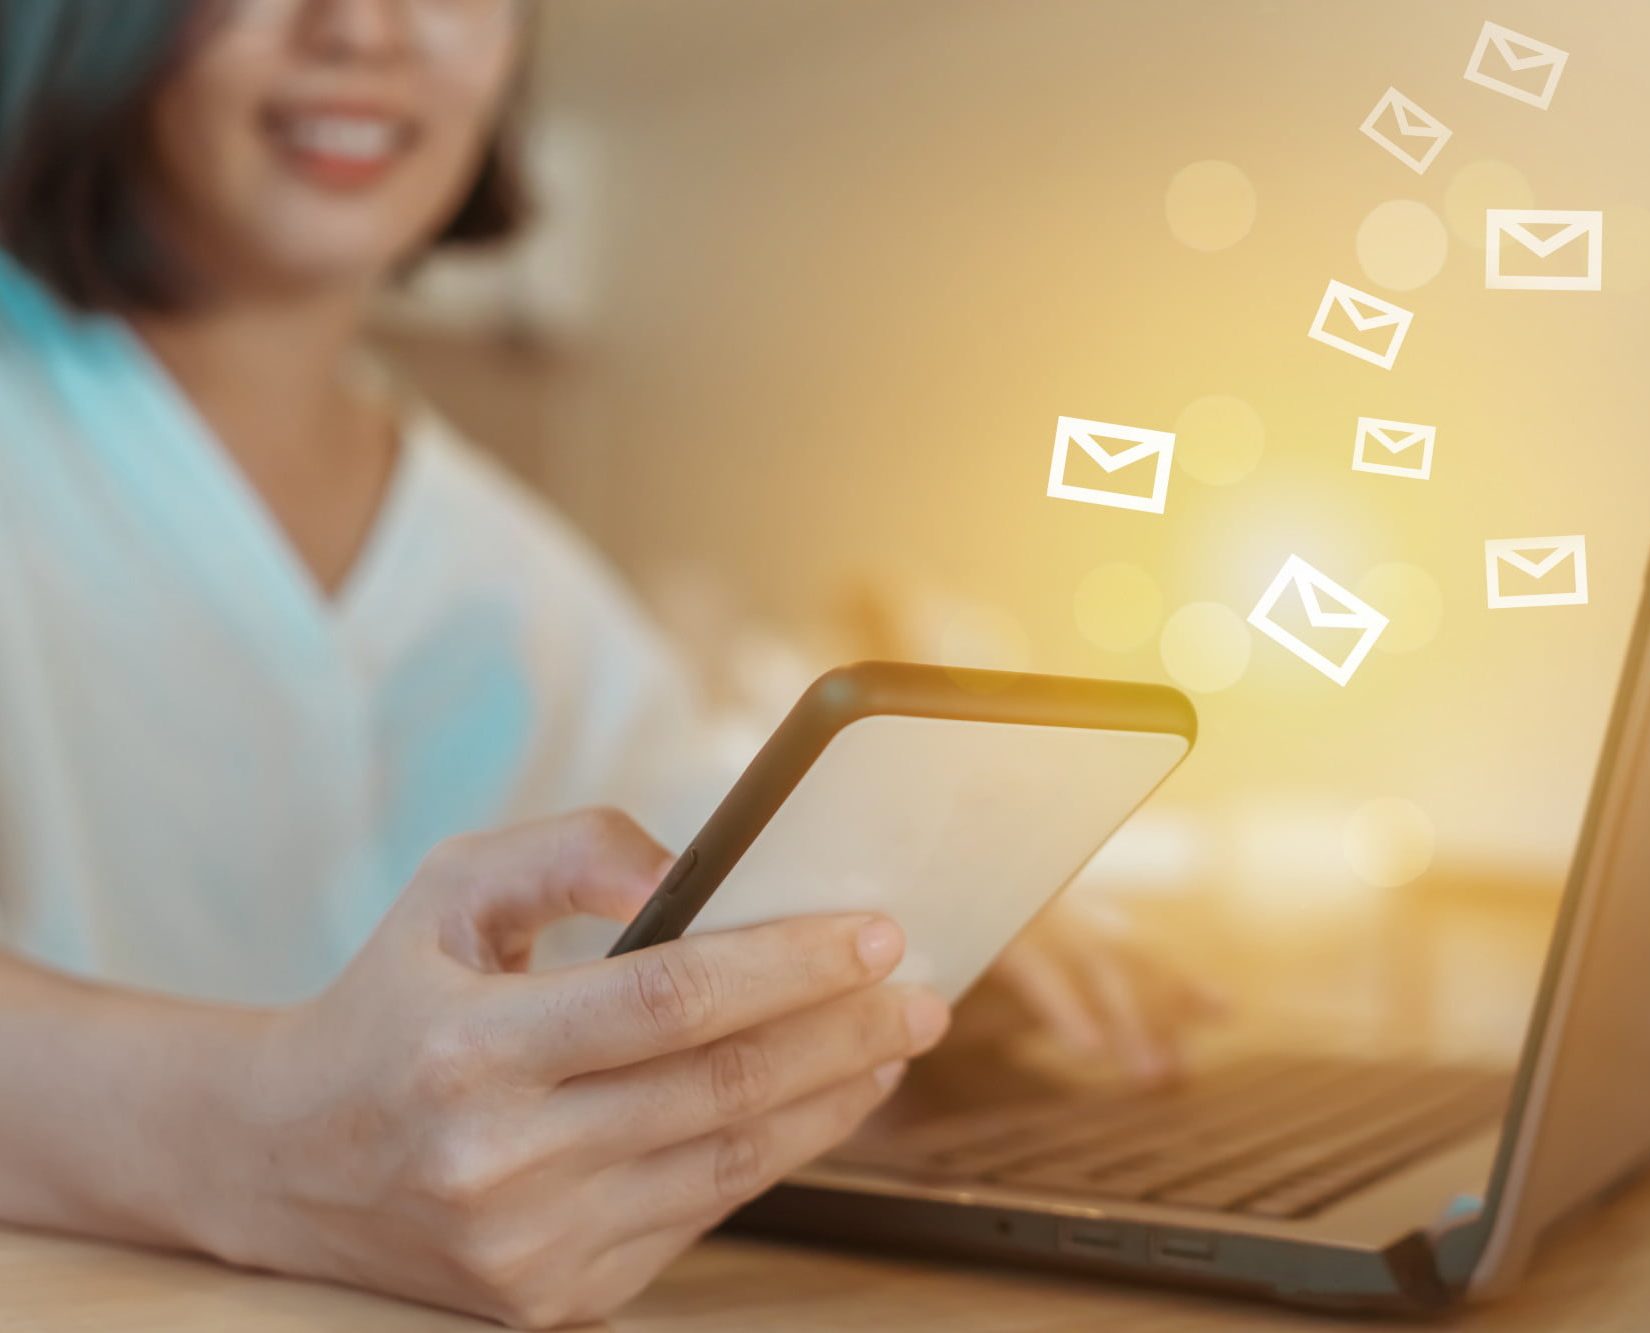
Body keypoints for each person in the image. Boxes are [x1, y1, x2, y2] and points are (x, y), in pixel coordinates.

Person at [0, 1, 1202, 1326]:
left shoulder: (518, 576)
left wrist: (906, 939)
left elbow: (681, 842)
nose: (365, 29)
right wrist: (271, 1143)